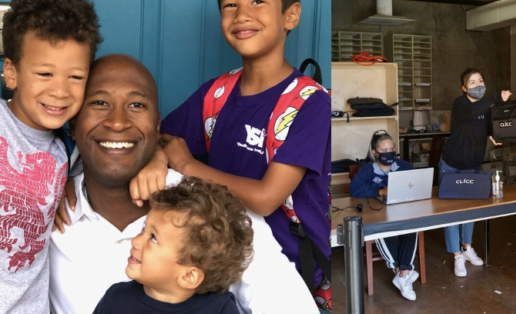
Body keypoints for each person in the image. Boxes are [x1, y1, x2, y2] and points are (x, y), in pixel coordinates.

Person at [49, 54, 317, 314]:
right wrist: (55, 180)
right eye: (99, 102)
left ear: (157, 127)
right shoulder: (42, 210)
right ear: (73, 123)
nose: (117, 122)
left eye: (137, 105)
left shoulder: (213, 212)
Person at [141, 0, 332, 306]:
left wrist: (187, 166)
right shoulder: (215, 93)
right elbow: (159, 136)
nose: (242, 15)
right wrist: (155, 158)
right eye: (230, 5)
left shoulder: (311, 103)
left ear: (291, 15)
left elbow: (266, 197)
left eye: (258, 1)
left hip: (284, 273)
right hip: (219, 262)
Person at [0, 0, 101, 313]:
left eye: (75, 77)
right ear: (11, 73)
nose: (60, 90)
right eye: (45, 73)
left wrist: (156, 159)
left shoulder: (71, 149)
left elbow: (137, 147)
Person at [93, 177, 250, 314]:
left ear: (189, 276)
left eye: (153, 238)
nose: (135, 240)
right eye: (143, 228)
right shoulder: (116, 300)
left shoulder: (220, 309)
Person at [438, 68, 510, 277]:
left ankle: (467, 248)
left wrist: (493, 135)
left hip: (472, 163)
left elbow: (486, 125)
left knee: (470, 209)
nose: (478, 85)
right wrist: (496, 98)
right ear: (464, 88)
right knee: (451, 212)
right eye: (472, 83)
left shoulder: (486, 107)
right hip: (451, 163)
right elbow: (473, 111)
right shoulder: (460, 104)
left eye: (480, 81)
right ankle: (456, 256)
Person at [349, 130, 420, 300]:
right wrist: (380, 190)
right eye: (384, 150)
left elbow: (415, 183)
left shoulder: (403, 166)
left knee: (413, 225)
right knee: (379, 228)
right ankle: (403, 272)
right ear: (375, 152)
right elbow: (355, 190)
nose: (388, 153)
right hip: (379, 213)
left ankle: (402, 274)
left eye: (391, 149)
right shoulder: (367, 170)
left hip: (402, 210)